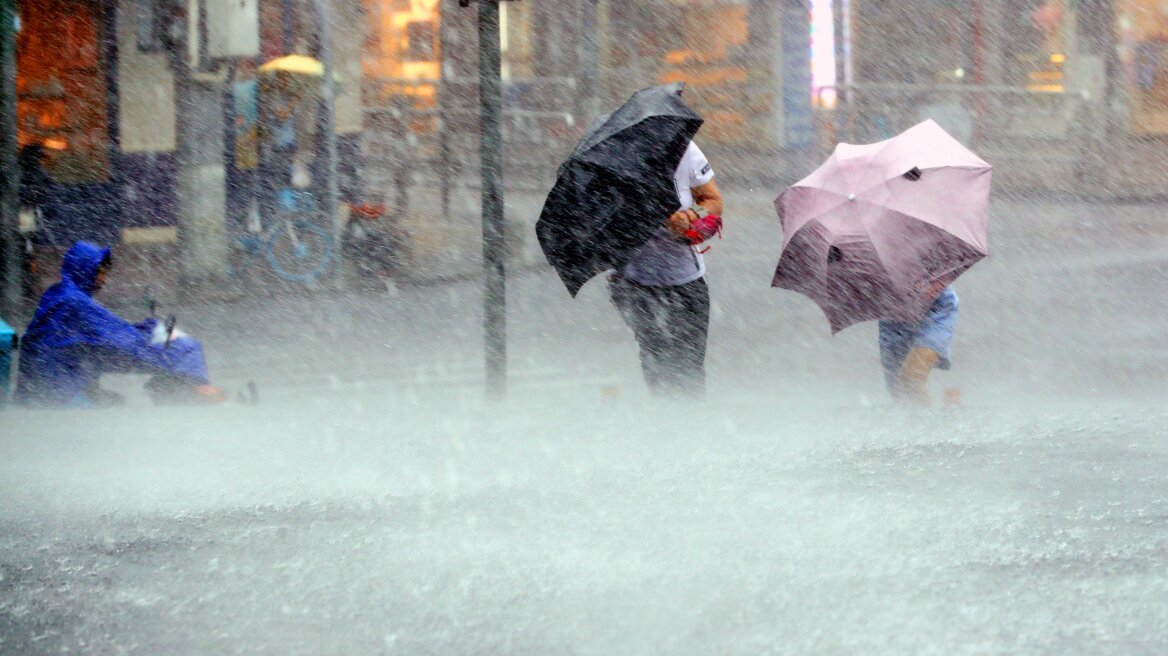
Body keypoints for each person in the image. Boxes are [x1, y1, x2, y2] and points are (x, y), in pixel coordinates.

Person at [15, 241, 222, 407]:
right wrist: (169, 348)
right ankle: (200, 392)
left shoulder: (60, 293)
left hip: (40, 386)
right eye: (100, 273)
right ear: (85, 270)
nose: (103, 281)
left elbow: (105, 332)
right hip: (58, 391)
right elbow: (124, 340)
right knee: (114, 405)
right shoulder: (74, 303)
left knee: (114, 401)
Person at [608, 140, 724, 398]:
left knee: (689, 362)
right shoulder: (615, 159)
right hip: (635, 281)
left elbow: (713, 200)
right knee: (656, 356)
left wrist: (690, 216)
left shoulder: (686, 150)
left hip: (686, 279)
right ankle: (665, 423)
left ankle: (689, 424)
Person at [878, 284, 959, 405]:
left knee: (912, 376)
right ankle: (925, 418)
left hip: (935, 307)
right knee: (898, 391)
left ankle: (928, 422)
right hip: (892, 316)